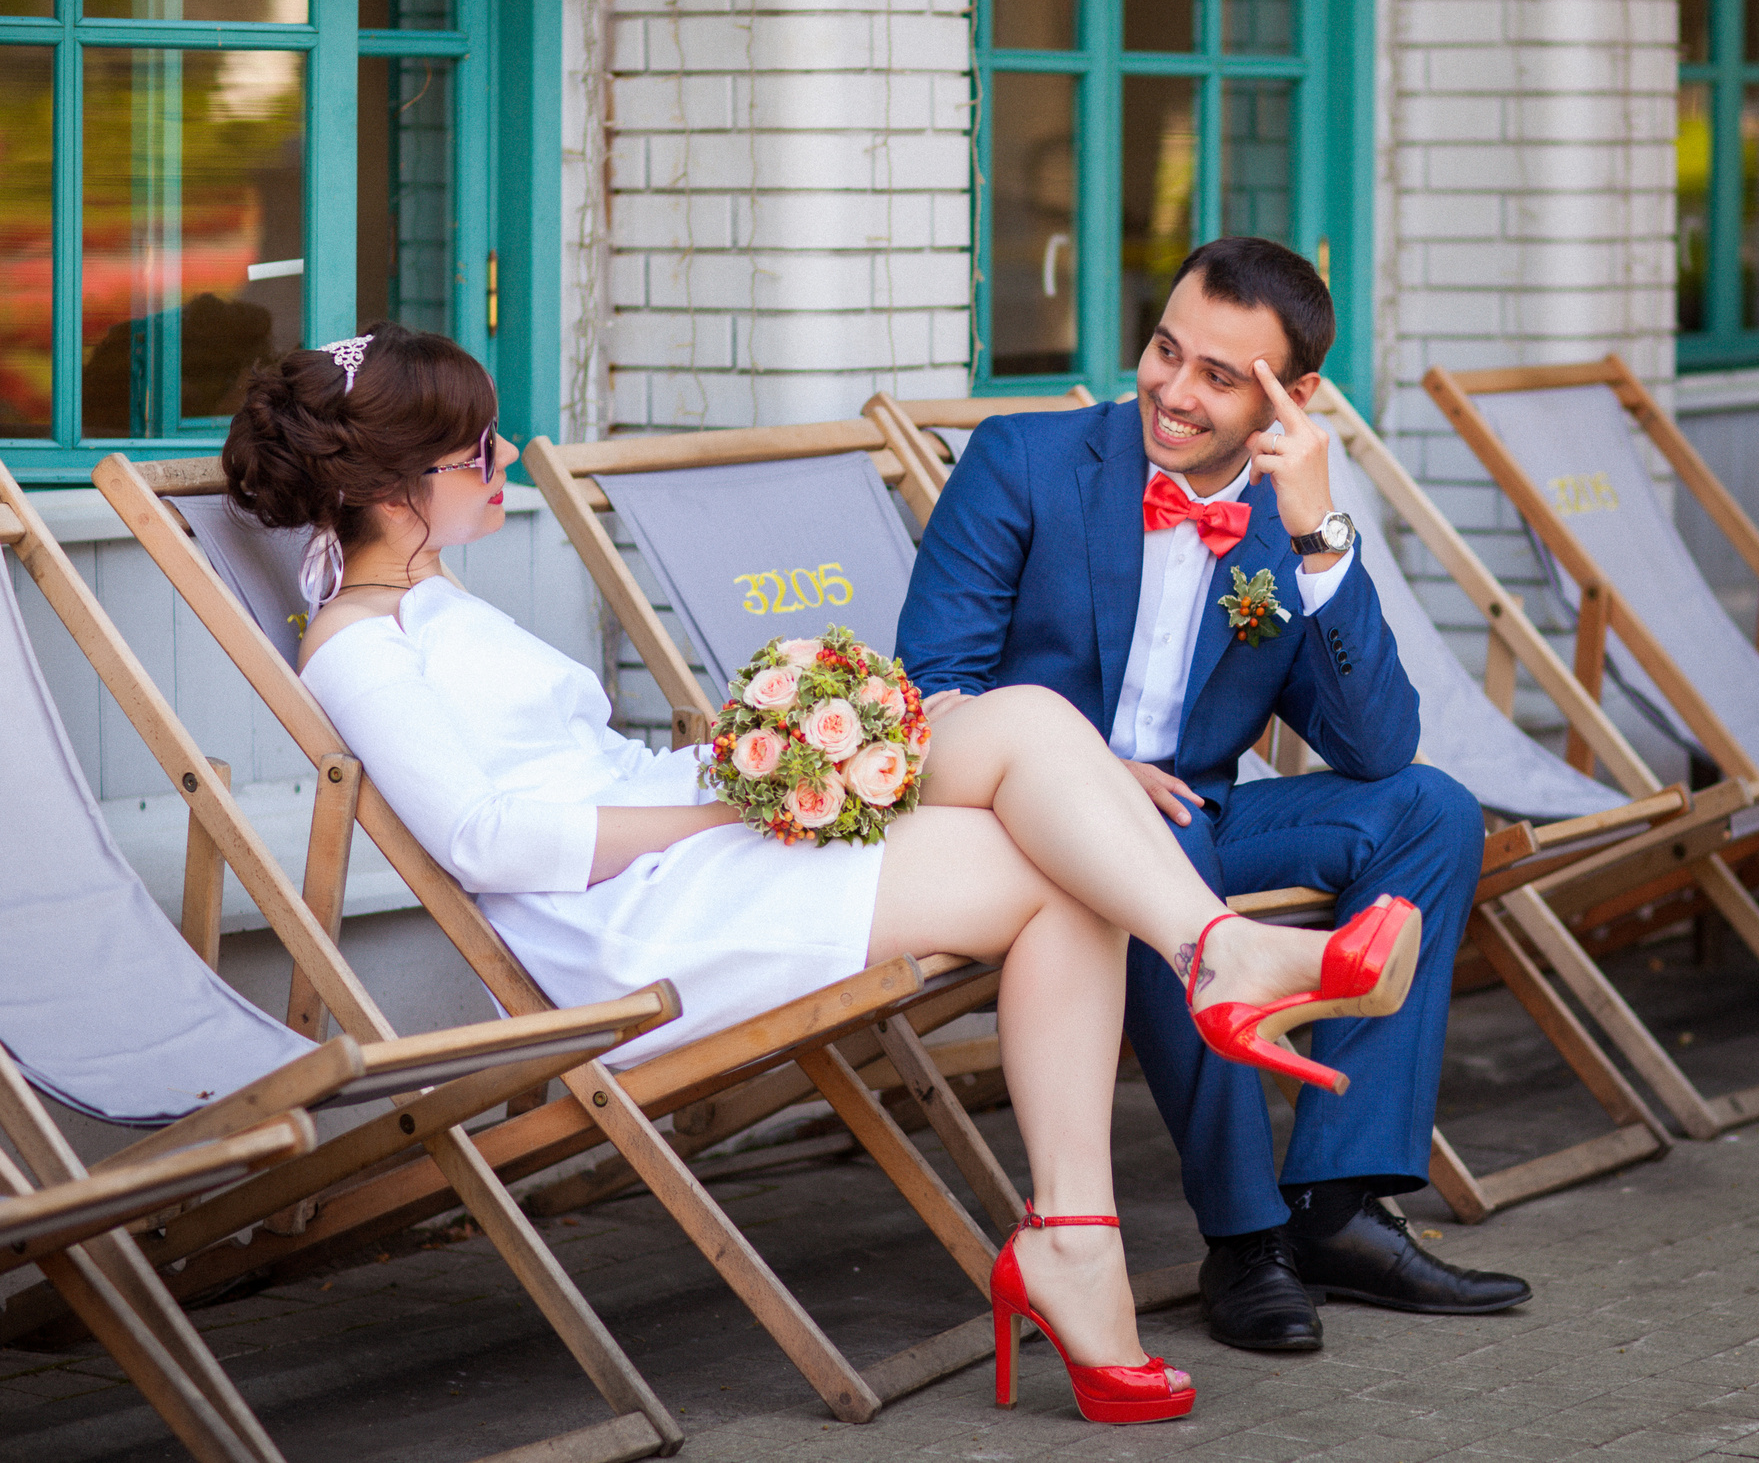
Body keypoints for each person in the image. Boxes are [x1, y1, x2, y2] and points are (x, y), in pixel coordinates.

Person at [221, 321, 1424, 1427]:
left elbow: (576, 768)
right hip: (628, 925)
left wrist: (772, 750)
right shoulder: (356, 648)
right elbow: (491, 840)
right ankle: (1183, 1024)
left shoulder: (436, 601)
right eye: (475, 451)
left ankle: (1100, 1185)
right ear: (389, 486)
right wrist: (719, 803)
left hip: (685, 850)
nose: (501, 467)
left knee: (1032, 752)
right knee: (1059, 840)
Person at [897, 235, 1532, 1354]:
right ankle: (1246, 1237)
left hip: (1199, 816)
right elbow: (934, 687)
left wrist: (1319, 538)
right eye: (1164, 351)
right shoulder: (1022, 464)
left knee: (1429, 808)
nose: (1174, 392)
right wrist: (1086, 775)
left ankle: (1335, 1206)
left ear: (1295, 399)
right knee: (1162, 837)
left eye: (1220, 377)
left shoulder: (1290, 528)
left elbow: (1377, 744)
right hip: (1033, 838)